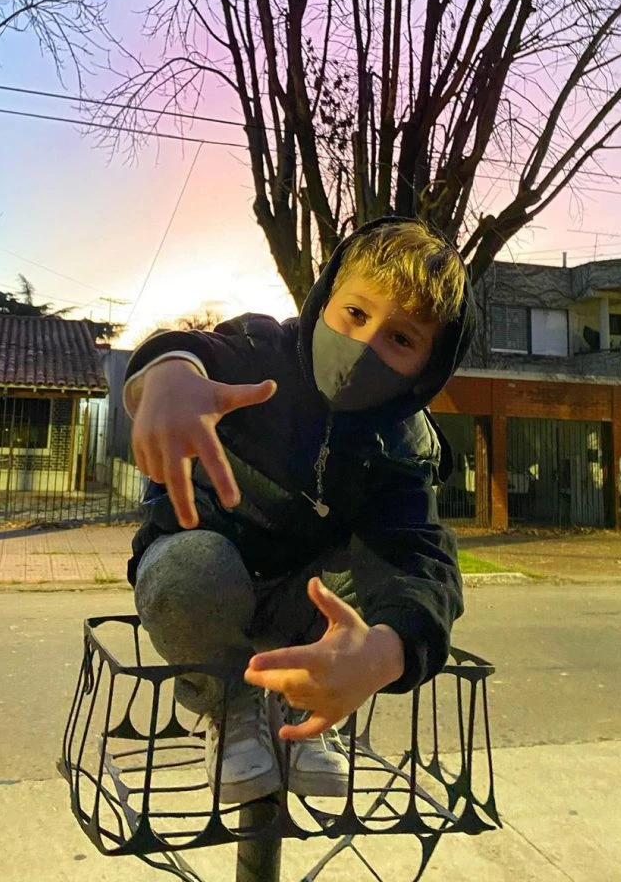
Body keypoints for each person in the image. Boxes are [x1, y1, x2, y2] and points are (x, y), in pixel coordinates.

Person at [123, 217, 476, 805]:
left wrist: (386, 650)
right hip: (209, 574)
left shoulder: (404, 444)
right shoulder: (263, 351)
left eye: (401, 338)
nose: (365, 344)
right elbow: (196, 352)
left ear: (429, 367)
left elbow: (420, 559)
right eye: (355, 313)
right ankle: (228, 704)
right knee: (187, 568)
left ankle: (305, 703)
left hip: (308, 606)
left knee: (375, 577)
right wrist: (167, 378)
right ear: (326, 298)